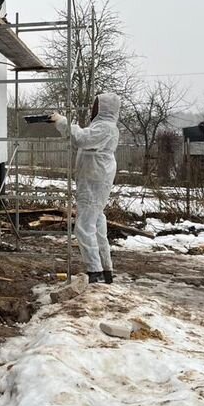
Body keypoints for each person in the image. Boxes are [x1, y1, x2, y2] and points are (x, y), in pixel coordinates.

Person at [49, 93, 122, 284]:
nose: (92, 108)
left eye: (96, 105)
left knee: (83, 227)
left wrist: (62, 122)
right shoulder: (103, 127)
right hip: (94, 180)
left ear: (104, 108)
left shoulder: (105, 128)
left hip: (93, 182)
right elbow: (81, 139)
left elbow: (81, 139)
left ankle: (94, 271)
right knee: (97, 223)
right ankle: (105, 269)